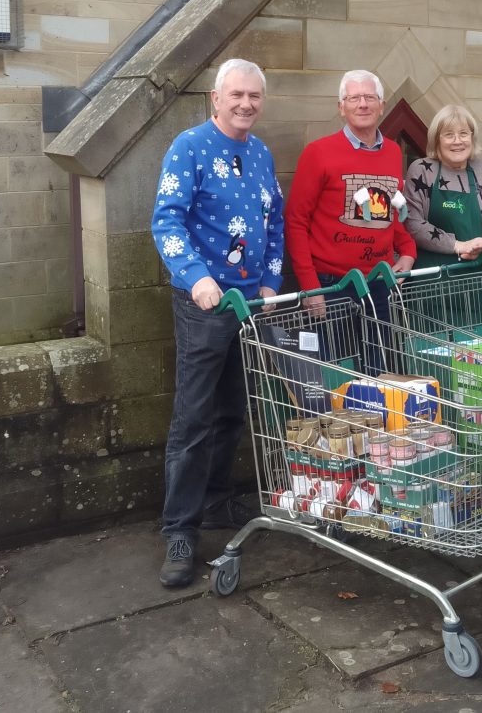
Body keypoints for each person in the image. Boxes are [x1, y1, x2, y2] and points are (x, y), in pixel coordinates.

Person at [151, 58, 284, 589]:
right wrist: (194, 276)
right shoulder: (189, 147)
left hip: (251, 306)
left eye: (254, 96)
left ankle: (215, 501)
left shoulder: (261, 153)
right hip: (204, 304)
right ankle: (179, 529)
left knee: (233, 411)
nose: (246, 104)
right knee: (194, 419)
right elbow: (166, 219)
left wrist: (272, 281)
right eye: (237, 95)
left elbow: (273, 221)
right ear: (215, 97)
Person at [284, 70, 416, 348]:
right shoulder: (318, 153)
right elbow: (296, 221)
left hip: (378, 283)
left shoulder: (393, 152)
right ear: (341, 108)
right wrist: (310, 286)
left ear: (382, 105)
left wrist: (407, 250)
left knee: (377, 372)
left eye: (370, 97)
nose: (363, 104)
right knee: (336, 374)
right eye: (354, 98)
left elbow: (392, 212)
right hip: (331, 286)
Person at [404, 104, 482, 267]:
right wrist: (458, 246)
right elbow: (412, 223)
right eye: (448, 135)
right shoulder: (422, 170)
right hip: (433, 279)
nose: (457, 141)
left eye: (463, 134)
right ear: (436, 139)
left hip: (480, 273)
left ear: (472, 137)